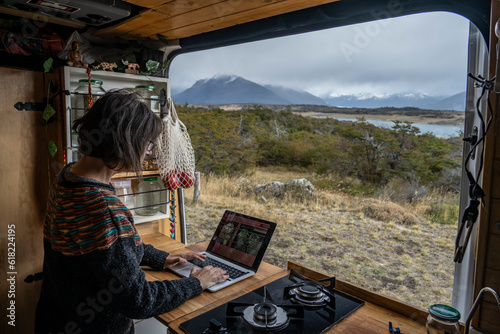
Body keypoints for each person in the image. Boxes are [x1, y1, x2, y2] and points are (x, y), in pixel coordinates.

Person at [34, 89, 228, 334]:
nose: (148, 153)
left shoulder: (69, 176)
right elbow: (137, 300)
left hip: (55, 317)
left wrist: (161, 258)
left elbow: (98, 253)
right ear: (125, 142)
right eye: (148, 146)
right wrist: (197, 283)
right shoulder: (104, 208)